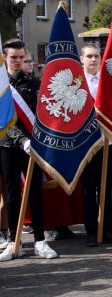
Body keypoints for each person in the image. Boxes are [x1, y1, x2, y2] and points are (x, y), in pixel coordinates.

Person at [0, 39, 57, 261]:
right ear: (5, 57)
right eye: (13, 57)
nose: (17, 61)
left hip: (32, 147)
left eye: (21, 57)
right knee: (12, 195)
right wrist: (22, 139)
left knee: (34, 193)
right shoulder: (2, 87)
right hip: (7, 145)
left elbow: (44, 114)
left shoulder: (34, 83)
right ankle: (15, 243)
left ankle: (40, 241)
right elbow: (3, 121)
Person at [78, 44, 112, 247]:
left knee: (105, 186)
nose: (94, 60)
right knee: (88, 188)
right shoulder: (76, 83)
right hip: (87, 143)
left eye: (96, 56)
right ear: (81, 58)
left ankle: (107, 230)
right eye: (89, 56)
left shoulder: (109, 80)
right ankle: (90, 231)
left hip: (108, 140)